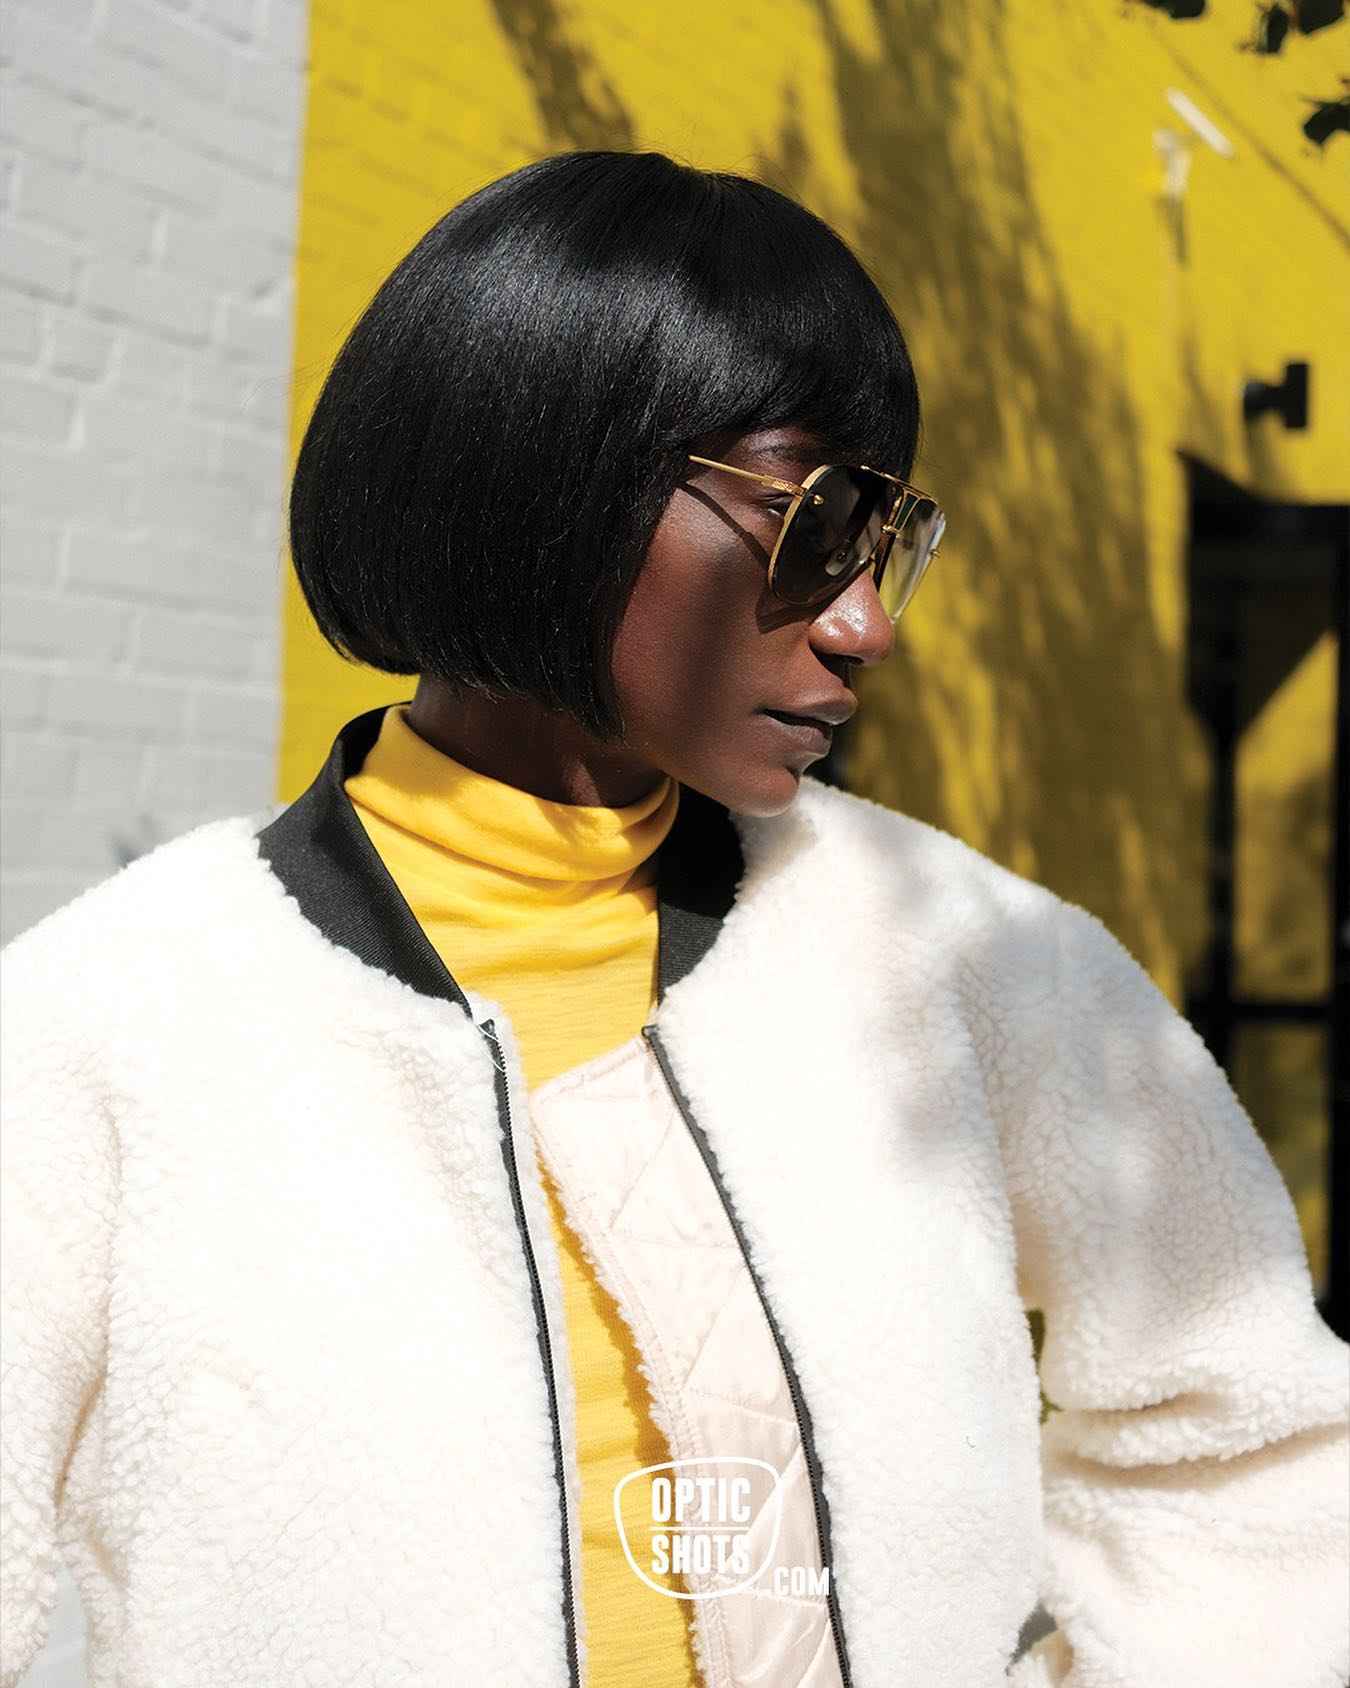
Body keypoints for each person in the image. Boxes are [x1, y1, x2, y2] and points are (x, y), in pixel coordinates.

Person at [1, 149, 1345, 1688]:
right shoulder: (106, 1030)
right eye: (811, 522)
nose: (866, 625)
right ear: (548, 476)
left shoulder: (976, 963)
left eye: (882, 538)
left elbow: (1249, 1445)